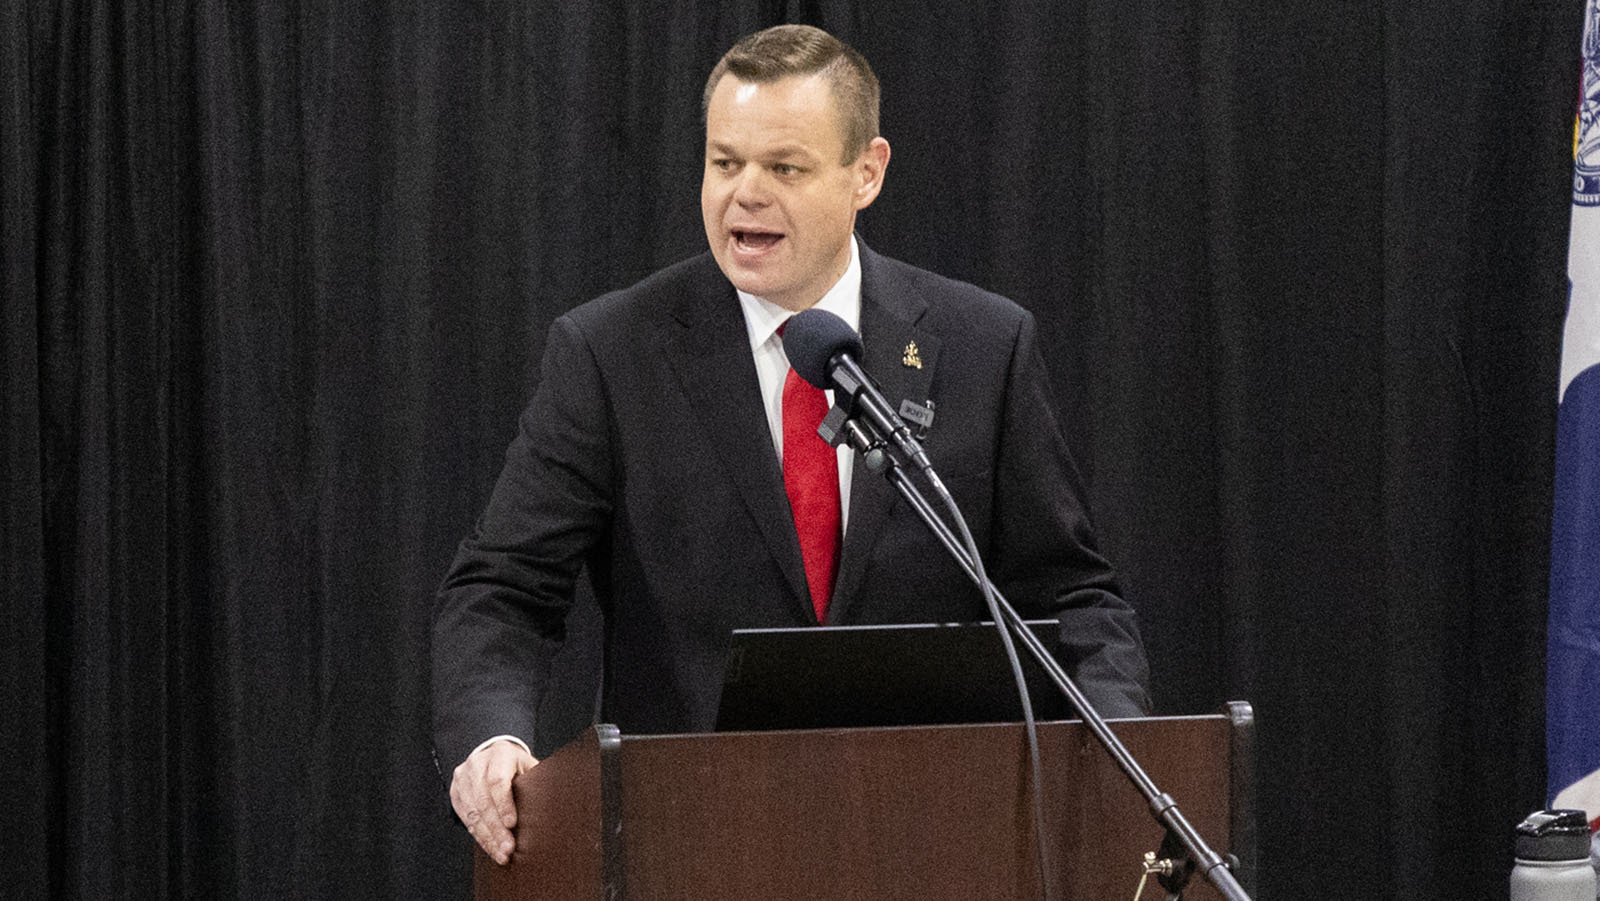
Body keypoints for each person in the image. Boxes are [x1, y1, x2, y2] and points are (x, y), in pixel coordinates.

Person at [432, 23, 1152, 866]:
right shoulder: (611, 353)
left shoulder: (981, 346)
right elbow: (502, 587)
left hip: (938, 838)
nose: (744, 195)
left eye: (784, 168)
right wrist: (491, 736)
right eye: (725, 162)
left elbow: (1072, 598)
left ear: (866, 173)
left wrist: (1122, 755)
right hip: (693, 844)